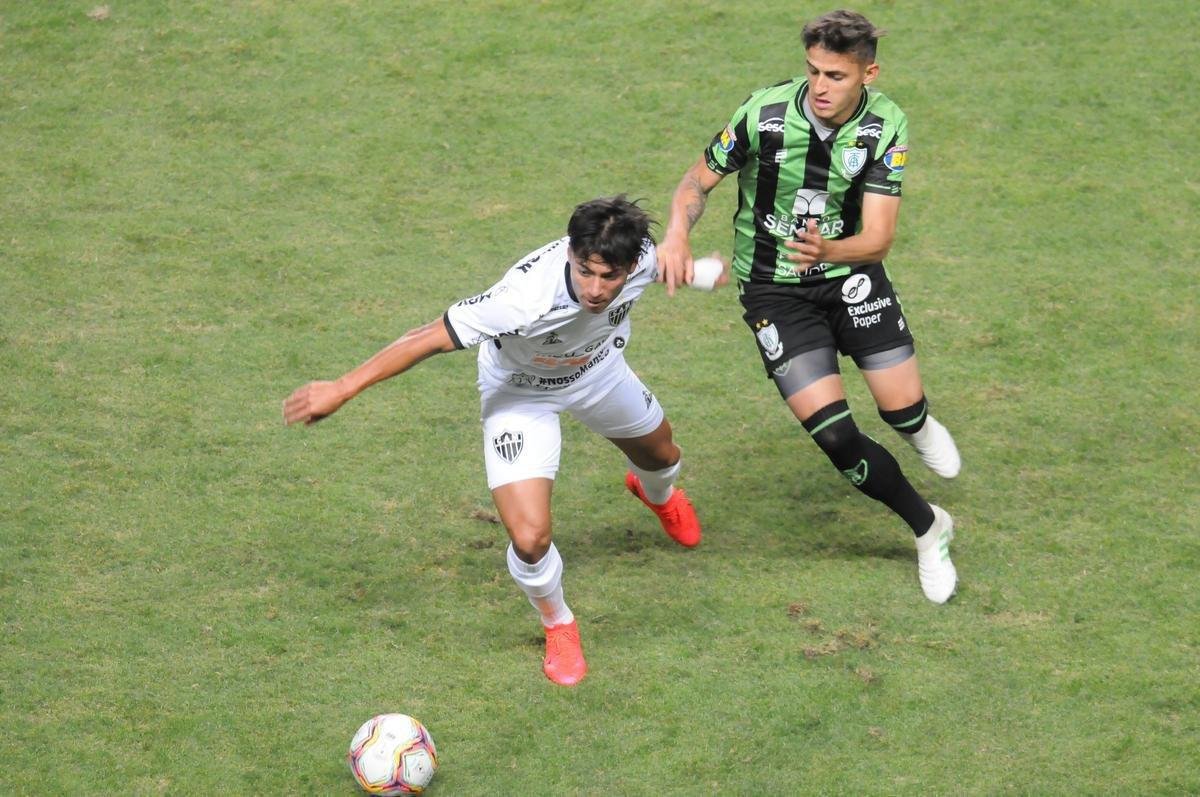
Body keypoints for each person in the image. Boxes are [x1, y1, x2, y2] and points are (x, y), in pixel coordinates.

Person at [283, 196, 702, 685]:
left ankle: (658, 496)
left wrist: (709, 268)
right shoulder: (524, 298)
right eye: (584, 271)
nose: (594, 289)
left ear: (630, 266)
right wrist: (342, 387)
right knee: (530, 538)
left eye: (608, 277)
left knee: (662, 456)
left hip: (598, 373)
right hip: (521, 394)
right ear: (570, 253)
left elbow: (679, 259)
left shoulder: (644, 258)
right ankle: (559, 623)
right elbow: (427, 337)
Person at [656, 9, 961, 603]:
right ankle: (930, 528)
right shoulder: (764, 114)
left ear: (868, 74)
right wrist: (676, 234)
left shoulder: (885, 126)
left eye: (836, 76)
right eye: (813, 70)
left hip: (851, 273)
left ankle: (917, 425)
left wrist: (829, 250)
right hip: (773, 290)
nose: (820, 86)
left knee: (900, 411)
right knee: (837, 438)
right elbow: (696, 181)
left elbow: (879, 239)